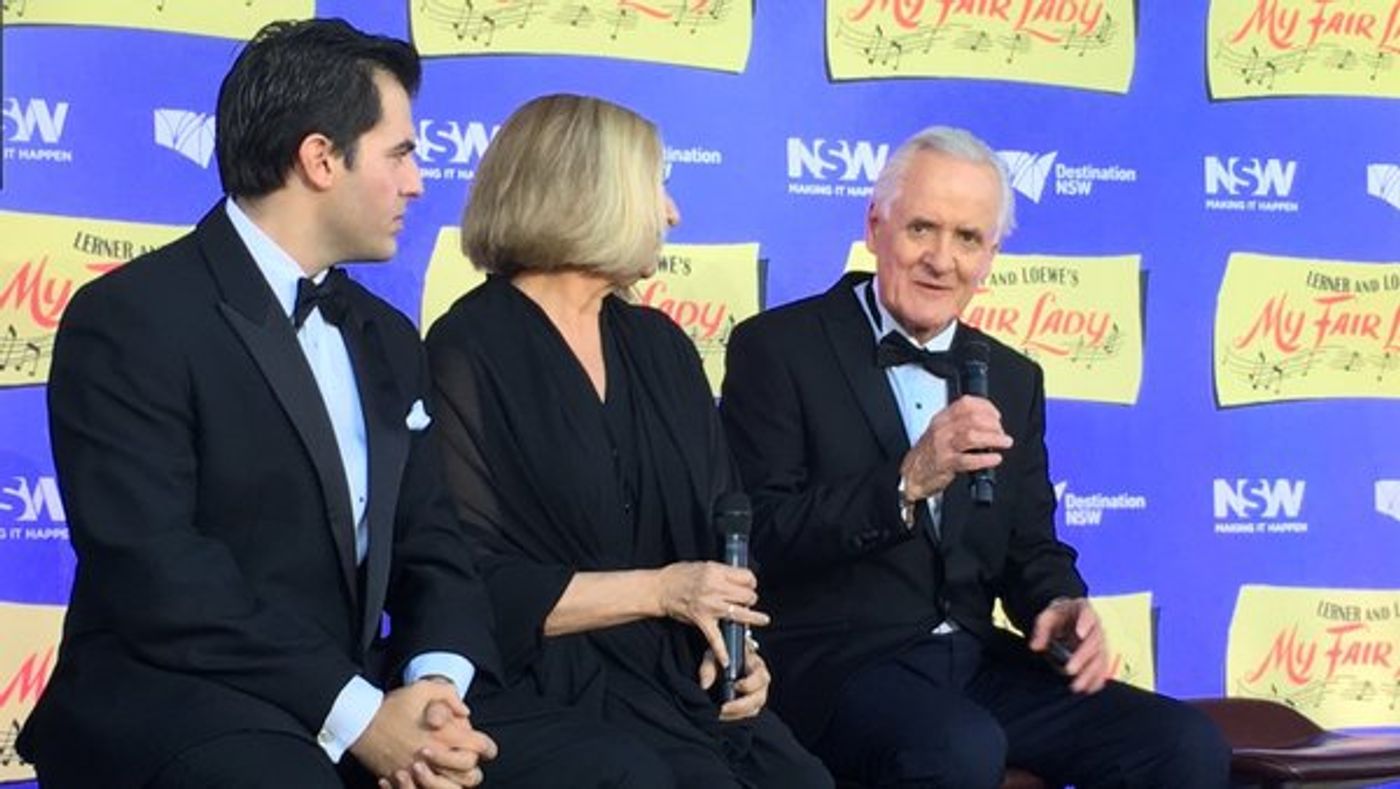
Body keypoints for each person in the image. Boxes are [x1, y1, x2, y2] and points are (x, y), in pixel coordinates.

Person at [17, 20, 624, 789]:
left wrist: (436, 688)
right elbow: (159, 570)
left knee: (610, 766)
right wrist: (361, 716)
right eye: (399, 153)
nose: (418, 183)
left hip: (357, 689)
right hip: (176, 694)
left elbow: (433, 545)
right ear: (320, 159)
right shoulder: (132, 317)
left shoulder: (387, 335)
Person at [719, 126, 1230, 789]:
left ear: (991, 256)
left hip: (975, 661)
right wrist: (904, 483)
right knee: (958, 747)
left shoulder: (1013, 377)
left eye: (967, 238)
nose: (942, 259)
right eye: (922, 229)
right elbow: (760, 534)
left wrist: (1060, 603)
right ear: (875, 226)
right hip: (836, 668)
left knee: (1182, 743)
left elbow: (1030, 547)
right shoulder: (778, 347)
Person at [424, 93, 832, 789]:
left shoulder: (660, 344)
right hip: (537, 682)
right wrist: (662, 591)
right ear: (590, 194)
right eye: (654, 189)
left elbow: (720, 527)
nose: (671, 214)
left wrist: (740, 650)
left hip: (674, 673)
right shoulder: (468, 348)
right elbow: (471, 579)